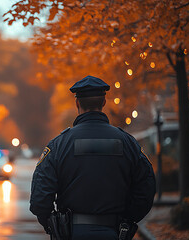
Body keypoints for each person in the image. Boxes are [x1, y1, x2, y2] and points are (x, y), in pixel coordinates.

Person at [30, 76, 156, 240]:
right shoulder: (127, 142)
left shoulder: (58, 145)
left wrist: (54, 226)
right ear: (104, 102)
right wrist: (127, 219)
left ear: (77, 103)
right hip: (113, 232)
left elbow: (40, 198)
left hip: (71, 234)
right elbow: (146, 188)